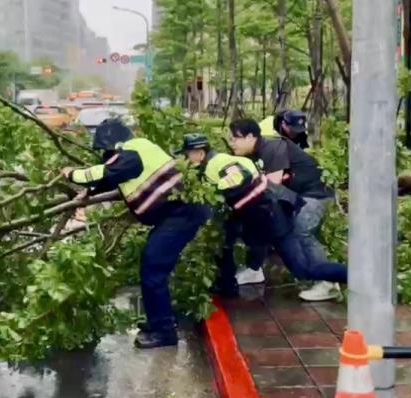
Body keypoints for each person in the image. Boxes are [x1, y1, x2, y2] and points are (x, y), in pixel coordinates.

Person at [61, 119, 210, 349]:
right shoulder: (135, 154)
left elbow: (107, 171)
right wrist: (89, 190)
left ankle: (164, 332)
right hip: (176, 215)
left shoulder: (133, 152)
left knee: (153, 269)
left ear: (116, 145)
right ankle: (158, 321)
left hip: (181, 215)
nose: (105, 155)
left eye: (106, 151)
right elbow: (114, 177)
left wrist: (72, 174)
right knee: (151, 266)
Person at [177, 133, 347, 299]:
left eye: (186, 156)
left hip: (272, 217)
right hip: (261, 217)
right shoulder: (214, 163)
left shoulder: (217, 163)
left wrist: (216, 191)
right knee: (226, 238)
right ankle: (228, 285)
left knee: (304, 269)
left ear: (199, 153)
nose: (185, 161)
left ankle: (355, 277)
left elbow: (240, 175)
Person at [227, 118, 341, 301]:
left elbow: (272, 186)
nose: (232, 144)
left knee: (301, 229)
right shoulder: (253, 154)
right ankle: (254, 268)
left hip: (315, 194)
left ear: (250, 137)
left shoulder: (272, 147)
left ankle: (327, 283)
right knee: (264, 217)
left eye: (234, 139)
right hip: (296, 197)